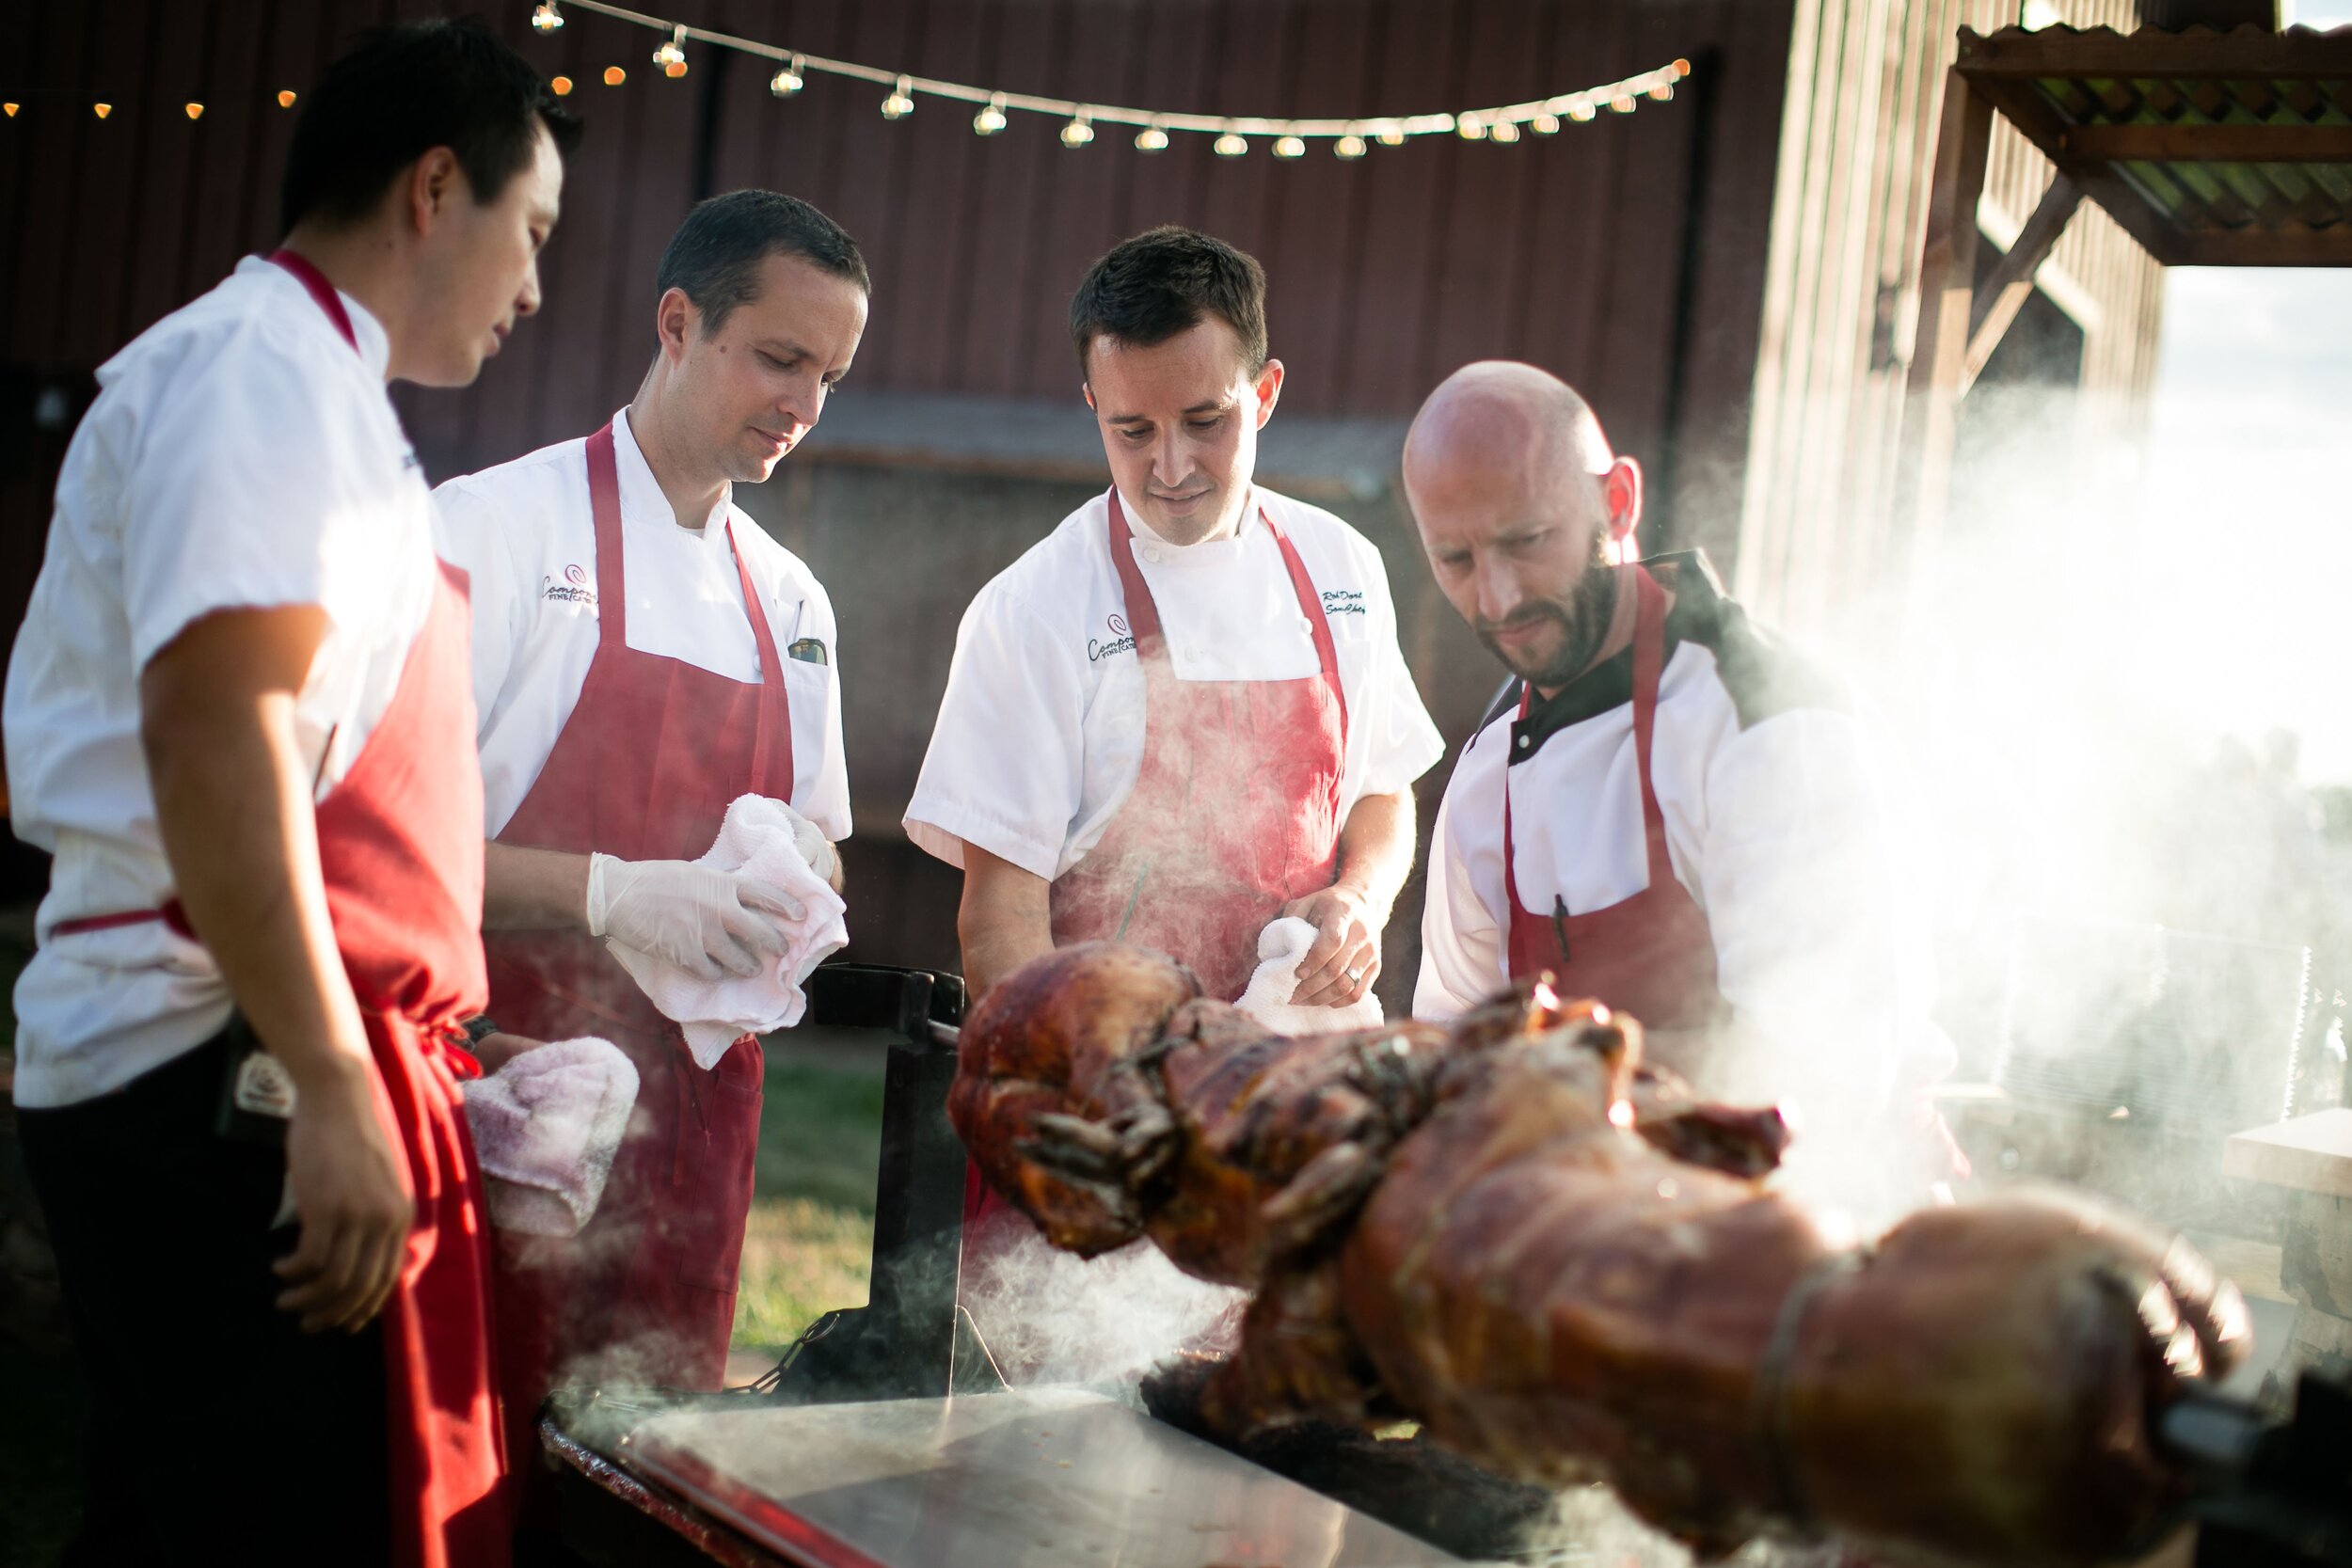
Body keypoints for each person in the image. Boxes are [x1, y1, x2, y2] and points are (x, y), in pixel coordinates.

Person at [4, 22, 574, 1566]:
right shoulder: (265, 376)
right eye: (530, 234)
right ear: (433, 187)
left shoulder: (314, 385)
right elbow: (219, 736)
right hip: (206, 1060)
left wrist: (446, 1062)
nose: (535, 289)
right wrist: (331, 1078)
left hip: (246, 1037)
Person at [430, 191, 862, 1449]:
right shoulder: (493, 527)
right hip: (513, 1096)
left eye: (830, 374)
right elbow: (382, 855)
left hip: (697, 1139)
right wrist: (620, 893)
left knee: (647, 1480)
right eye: (780, 357)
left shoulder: (793, 600)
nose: (805, 403)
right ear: (678, 322)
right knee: (472, 1459)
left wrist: (790, 875)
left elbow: (819, 830)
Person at [1404, 361, 1953, 1193]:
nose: (1499, 594)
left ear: (1617, 501)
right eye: (1456, 559)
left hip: (1826, 1222)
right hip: (1603, 1229)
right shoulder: (1486, 774)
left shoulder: (1765, 722)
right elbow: (1453, 1056)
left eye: (1526, 540)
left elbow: (1818, 1071)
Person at [907, 226, 1444, 1013]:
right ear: (1093, 406)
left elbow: (1381, 789)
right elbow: (999, 917)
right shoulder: (1033, 609)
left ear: (1263, 395)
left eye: (1206, 421)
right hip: (1104, 1083)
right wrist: (1090, 1077)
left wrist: (1361, 897)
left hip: (1292, 1081)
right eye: (1133, 431)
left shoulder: (1343, 566)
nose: (1171, 467)